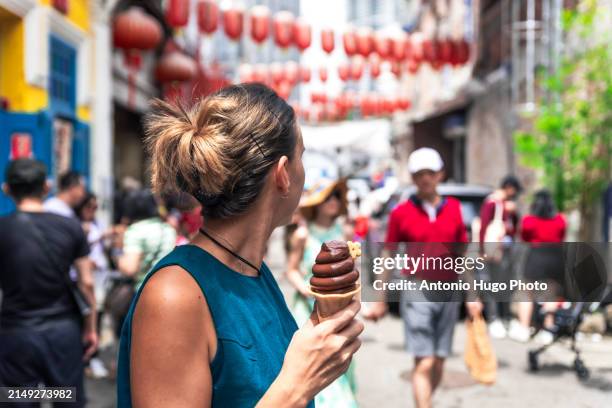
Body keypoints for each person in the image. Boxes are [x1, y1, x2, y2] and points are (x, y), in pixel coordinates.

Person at [116, 84, 363, 407]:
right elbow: (284, 388)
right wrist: (296, 387)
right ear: (283, 174)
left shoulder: (255, 273)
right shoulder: (175, 295)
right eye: (301, 157)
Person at [367, 147, 482, 408]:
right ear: (413, 177)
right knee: (424, 361)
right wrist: (379, 299)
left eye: (430, 173)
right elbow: (388, 255)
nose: (425, 179)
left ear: (440, 174)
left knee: (439, 360)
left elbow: (462, 254)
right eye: (419, 174)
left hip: (449, 290)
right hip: (417, 289)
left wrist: (472, 295)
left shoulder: (454, 209)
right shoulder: (401, 212)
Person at [0, 159, 97, 407]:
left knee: (19, 399)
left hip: (16, 333)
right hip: (62, 332)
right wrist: (91, 326)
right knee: (66, 398)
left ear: (6, 189)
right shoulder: (70, 227)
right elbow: (86, 283)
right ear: (47, 187)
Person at [285, 178, 358, 407]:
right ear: (317, 203)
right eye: (328, 197)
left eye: (337, 196)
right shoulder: (302, 235)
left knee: (340, 360)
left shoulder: (344, 231)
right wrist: (305, 288)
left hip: (341, 310)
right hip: (309, 311)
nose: (334, 201)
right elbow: (292, 269)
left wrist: (356, 298)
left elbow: (351, 270)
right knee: (318, 364)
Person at [511, 189, 566, 344]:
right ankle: (548, 330)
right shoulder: (560, 220)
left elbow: (524, 237)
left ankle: (524, 328)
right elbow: (562, 236)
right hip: (555, 258)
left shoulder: (529, 220)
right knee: (551, 295)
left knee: (527, 293)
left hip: (536, 257)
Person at [478, 175, 522, 338]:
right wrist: (483, 250)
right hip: (493, 252)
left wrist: (513, 212)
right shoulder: (492, 203)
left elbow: (514, 228)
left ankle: (506, 318)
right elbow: (484, 226)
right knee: (491, 285)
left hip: (507, 252)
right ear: (509, 187)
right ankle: (494, 318)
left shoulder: (508, 206)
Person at [75, 192, 110, 378]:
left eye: (96, 207)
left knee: (97, 316)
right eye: (90, 207)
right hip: (82, 280)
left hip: (98, 278)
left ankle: (92, 358)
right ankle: (84, 359)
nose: (93, 210)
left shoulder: (97, 224)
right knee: (85, 319)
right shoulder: (77, 226)